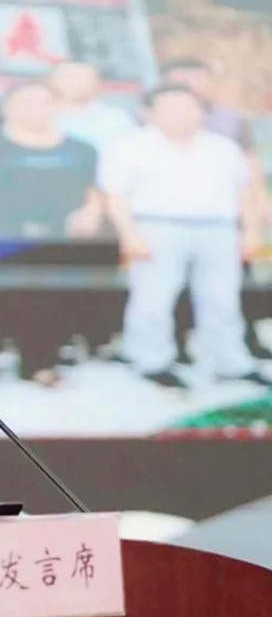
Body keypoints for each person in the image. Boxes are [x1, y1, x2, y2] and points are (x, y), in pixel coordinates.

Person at [99, 84, 271, 389]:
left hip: (219, 230)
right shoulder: (129, 146)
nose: (181, 115)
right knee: (153, 299)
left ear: (202, 112)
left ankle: (230, 362)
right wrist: (130, 235)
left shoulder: (223, 148)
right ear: (149, 113)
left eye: (189, 107)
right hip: (156, 228)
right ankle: (151, 361)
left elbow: (245, 192)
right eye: (170, 108)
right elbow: (114, 196)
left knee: (222, 300)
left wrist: (251, 232)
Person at [0, 81, 104, 387]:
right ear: (8, 108)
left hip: (55, 240)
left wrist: (91, 212)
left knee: (47, 303)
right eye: (26, 102)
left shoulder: (81, 149)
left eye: (45, 102)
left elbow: (94, 190)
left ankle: (39, 364)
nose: (36, 109)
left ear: (57, 107)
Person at [159, 58, 272, 361]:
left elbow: (251, 164)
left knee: (236, 283)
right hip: (171, 214)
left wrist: (261, 203)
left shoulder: (230, 119)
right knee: (173, 285)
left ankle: (245, 340)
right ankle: (178, 343)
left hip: (225, 213)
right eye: (181, 77)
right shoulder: (150, 116)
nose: (190, 83)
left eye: (197, 77)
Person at [50, 61, 137, 152]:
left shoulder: (117, 119)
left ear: (97, 82)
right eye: (69, 77)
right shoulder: (45, 115)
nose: (76, 83)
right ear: (53, 81)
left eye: (83, 78)